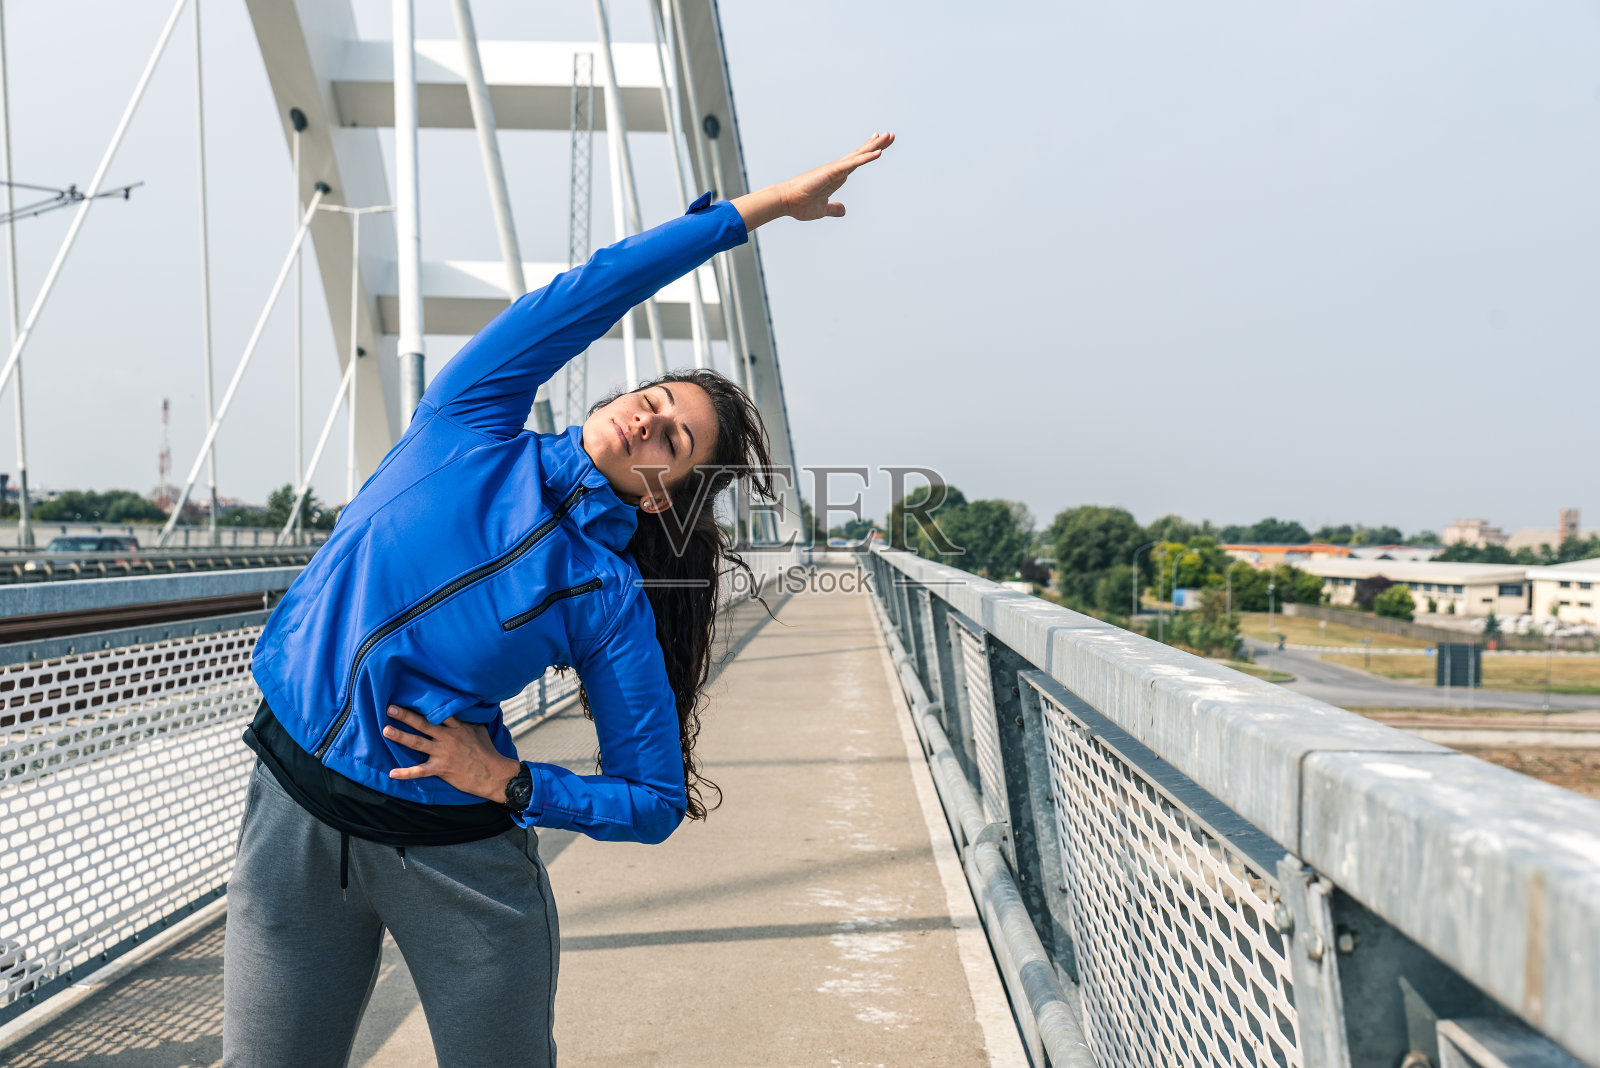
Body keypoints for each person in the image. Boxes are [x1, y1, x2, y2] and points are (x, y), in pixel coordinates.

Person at [220, 132, 894, 1067]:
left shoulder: (609, 595)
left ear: (662, 493)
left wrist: (512, 782)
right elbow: (601, 284)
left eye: (675, 442)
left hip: (452, 859)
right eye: (658, 397)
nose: (651, 417)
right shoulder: (471, 418)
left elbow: (654, 799)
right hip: (290, 809)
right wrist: (763, 207)